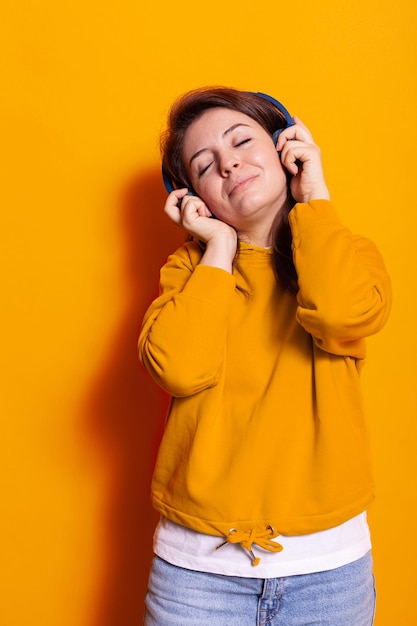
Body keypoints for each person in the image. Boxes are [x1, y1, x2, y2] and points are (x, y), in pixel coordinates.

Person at [138, 87, 391, 625]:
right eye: (205, 165)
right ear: (195, 198)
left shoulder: (346, 252)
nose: (228, 162)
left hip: (330, 572)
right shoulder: (187, 273)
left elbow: (342, 314)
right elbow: (179, 369)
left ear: (286, 147)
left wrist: (315, 192)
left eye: (242, 141)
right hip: (196, 576)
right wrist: (219, 250)